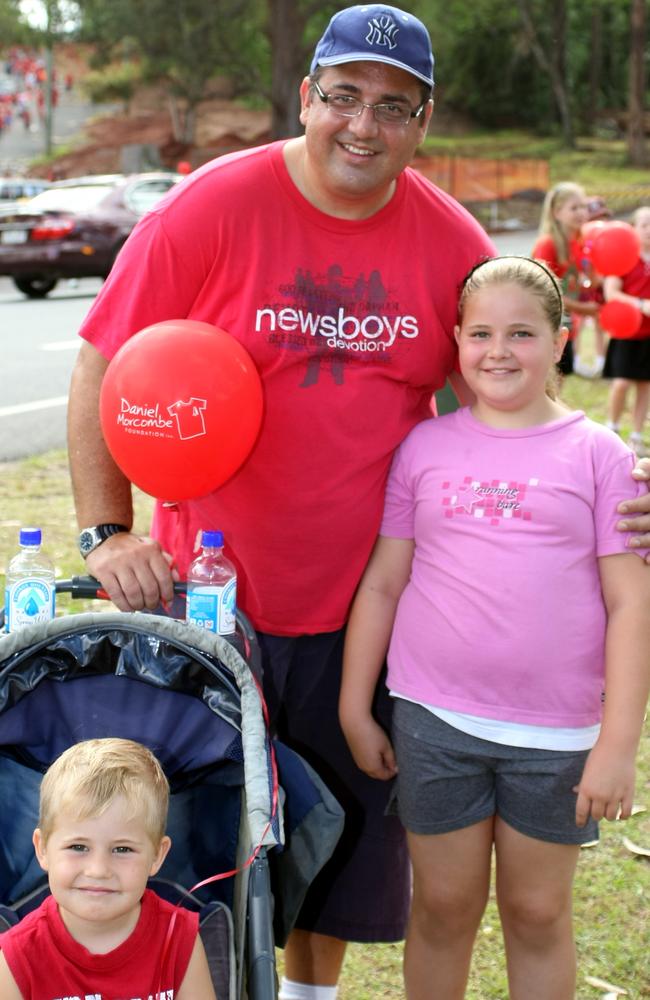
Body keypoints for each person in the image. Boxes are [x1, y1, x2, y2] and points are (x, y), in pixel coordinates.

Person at [65, 5, 650, 996]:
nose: (361, 124)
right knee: (198, 831)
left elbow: (506, 402)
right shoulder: (210, 205)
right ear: (306, 98)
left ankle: (308, 992)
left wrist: (614, 490)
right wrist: (106, 528)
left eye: (392, 104)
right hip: (213, 599)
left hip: (371, 610)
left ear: (422, 121)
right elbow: (103, 364)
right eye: (341, 96)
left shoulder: (447, 239)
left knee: (329, 838)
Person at [339, 256, 650, 1000]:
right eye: (480, 333)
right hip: (435, 720)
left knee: (537, 911)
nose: (498, 351)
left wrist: (617, 746)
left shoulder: (602, 457)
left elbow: (631, 605)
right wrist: (356, 705)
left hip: (557, 738)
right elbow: (384, 581)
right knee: (443, 907)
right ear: (456, 340)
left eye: (521, 333)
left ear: (561, 338)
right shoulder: (426, 447)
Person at [0, 737, 216, 1000]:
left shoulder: (179, 939)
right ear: (43, 848)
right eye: (78, 847)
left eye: (122, 849)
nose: (98, 870)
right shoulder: (17, 956)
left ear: (157, 855)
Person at [531, 181, 599, 375]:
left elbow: (576, 285)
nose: (581, 212)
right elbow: (543, 292)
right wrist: (584, 308)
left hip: (566, 326)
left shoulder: (580, 244)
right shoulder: (547, 245)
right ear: (556, 212)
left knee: (562, 376)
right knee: (548, 380)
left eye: (584, 207)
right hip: (546, 325)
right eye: (574, 208)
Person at [603, 206, 650, 457]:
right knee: (621, 383)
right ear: (633, 229)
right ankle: (612, 429)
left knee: (645, 386)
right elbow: (612, 293)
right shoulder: (624, 258)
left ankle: (637, 435)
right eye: (645, 224)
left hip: (648, 336)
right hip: (626, 333)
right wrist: (641, 305)